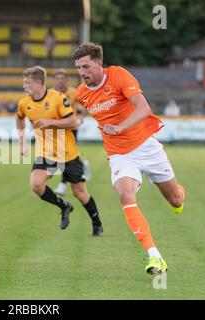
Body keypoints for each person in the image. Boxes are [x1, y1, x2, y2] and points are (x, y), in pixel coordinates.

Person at [72, 42, 185, 275]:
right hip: (119, 154)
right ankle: (155, 257)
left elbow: (143, 108)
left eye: (86, 66)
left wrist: (119, 127)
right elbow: (80, 114)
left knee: (175, 199)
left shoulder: (119, 75)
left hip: (146, 146)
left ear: (99, 63)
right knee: (125, 194)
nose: (82, 73)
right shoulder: (81, 94)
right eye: (78, 68)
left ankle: (178, 196)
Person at [16, 66, 103, 236]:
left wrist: (50, 122)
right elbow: (19, 118)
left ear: (39, 83)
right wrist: (22, 142)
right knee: (36, 184)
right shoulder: (24, 103)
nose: (24, 86)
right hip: (46, 153)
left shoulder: (57, 98)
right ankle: (64, 206)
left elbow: (73, 122)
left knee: (80, 193)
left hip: (68, 153)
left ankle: (97, 222)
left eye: (28, 83)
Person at [51, 68, 92, 197]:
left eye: (62, 78)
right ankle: (82, 164)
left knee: (64, 157)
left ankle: (62, 185)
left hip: (71, 128)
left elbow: (88, 105)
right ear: (54, 81)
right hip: (56, 129)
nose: (60, 81)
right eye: (57, 79)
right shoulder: (50, 93)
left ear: (67, 80)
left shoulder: (74, 92)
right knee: (64, 157)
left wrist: (81, 118)